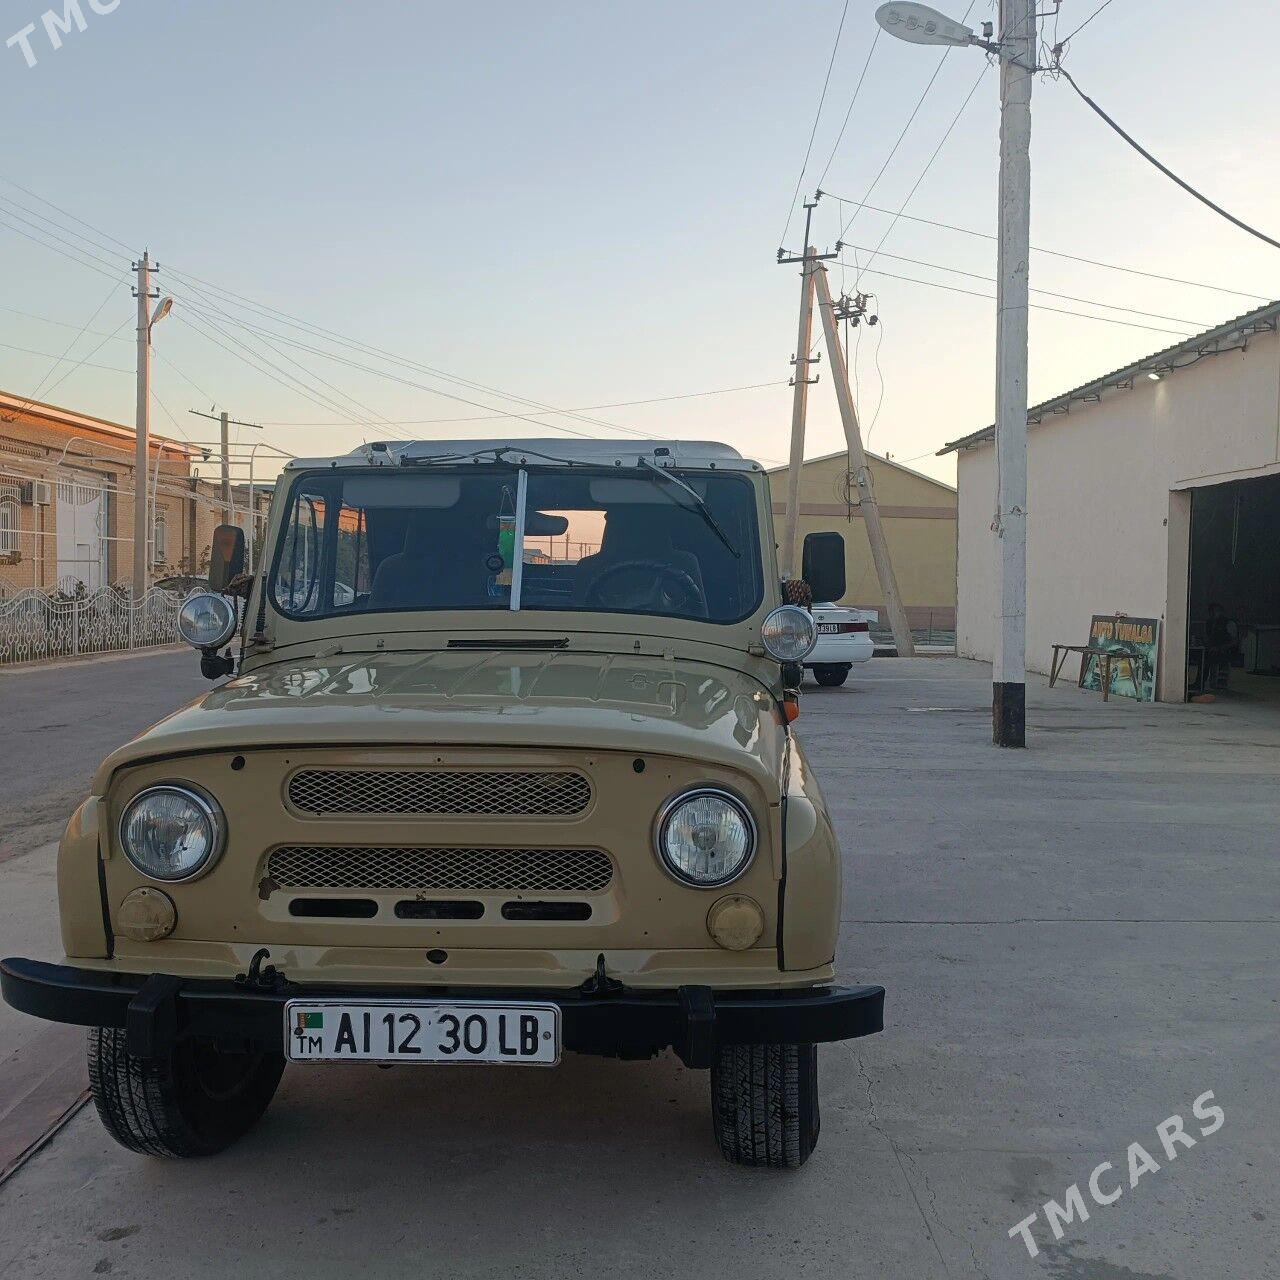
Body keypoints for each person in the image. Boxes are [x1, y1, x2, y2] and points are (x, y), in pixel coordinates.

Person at [1203, 603, 1235, 689]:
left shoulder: (1228, 623)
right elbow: (1207, 637)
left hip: (1224, 651)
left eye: (1216, 611)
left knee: (1222, 672)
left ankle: (1221, 685)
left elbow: (1234, 641)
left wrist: (1220, 648)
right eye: (1211, 612)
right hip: (1212, 650)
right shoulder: (1209, 623)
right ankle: (1206, 683)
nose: (1214, 614)